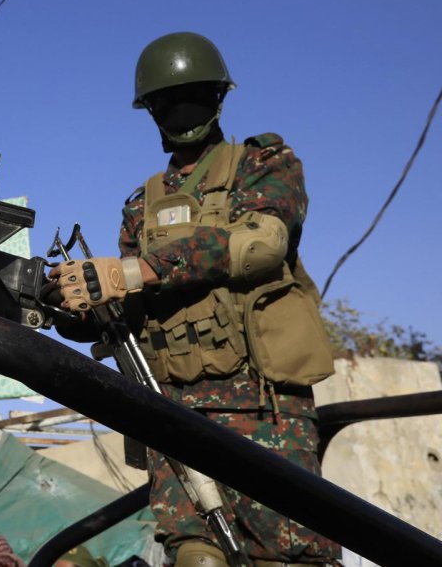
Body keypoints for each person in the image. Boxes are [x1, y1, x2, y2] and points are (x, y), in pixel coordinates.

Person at [49, 32, 340, 566]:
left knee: (291, 554)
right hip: (176, 412)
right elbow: (129, 311)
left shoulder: (264, 162)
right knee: (195, 556)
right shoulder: (141, 204)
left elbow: (263, 243)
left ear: (219, 98)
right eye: (166, 100)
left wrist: (136, 269)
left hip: (262, 408)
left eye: (193, 96)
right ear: (151, 111)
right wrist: (76, 303)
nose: (181, 111)